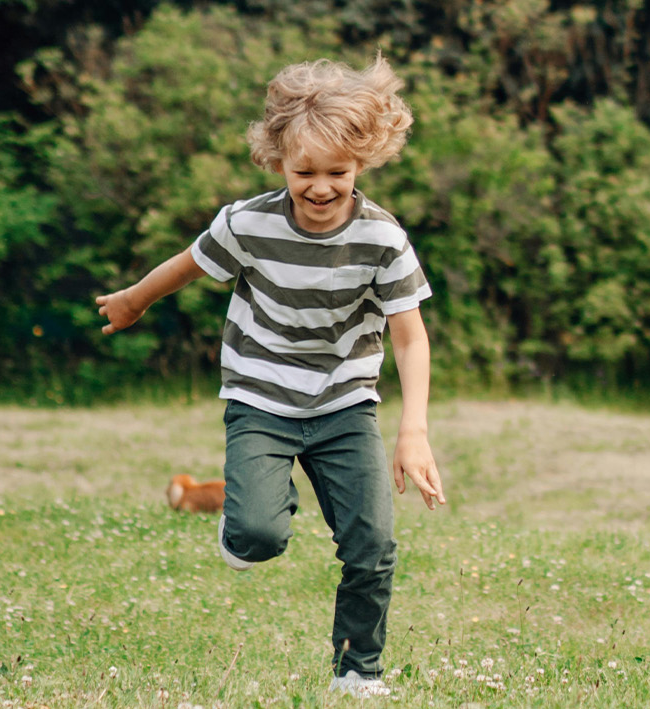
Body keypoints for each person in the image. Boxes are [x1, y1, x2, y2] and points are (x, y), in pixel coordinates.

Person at [95, 55, 446, 698]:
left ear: (362, 163)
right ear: (277, 159)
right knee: (258, 536)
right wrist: (134, 300)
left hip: (345, 404)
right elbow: (185, 266)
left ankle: (357, 670)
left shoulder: (383, 240)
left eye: (337, 172)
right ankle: (251, 520)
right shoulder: (247, 223)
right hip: (260, 397)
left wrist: (413, 431)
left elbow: (409, 334)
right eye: (302, 171)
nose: (319, 187)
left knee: (372, 545)